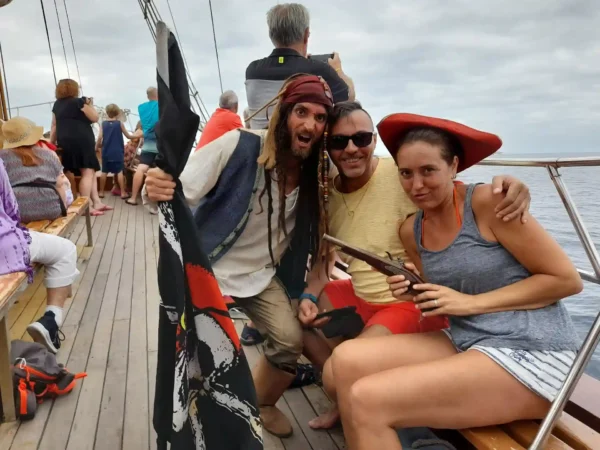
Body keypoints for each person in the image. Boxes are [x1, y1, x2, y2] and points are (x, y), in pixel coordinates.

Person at [329, 113, 583, 449]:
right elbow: (443, 295)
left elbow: (566, 280)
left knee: (368, 399)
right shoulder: (412, 230)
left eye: (428, 171)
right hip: (468, 338)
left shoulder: (489, 203)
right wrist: (414, 287)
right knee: (347, 359)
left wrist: (471, 304)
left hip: (532, 350)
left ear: (454, 166)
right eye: (406, 174)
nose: (416, 185)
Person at [291, 101, 533, 430]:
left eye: (361, 138)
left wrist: (510, 185)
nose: (351, 149)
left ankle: (347, 396)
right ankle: (343, 397)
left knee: (338, 370)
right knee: (295, 322)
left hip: (404, 301)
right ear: (328, 147)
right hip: (361, 294)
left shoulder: (403, 176)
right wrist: (307, 296)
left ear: (374, 140)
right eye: (338, 141)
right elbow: (324, 261)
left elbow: (454, 194)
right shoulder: (327, 194)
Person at [144, 74, 333, 439]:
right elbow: (182, 187)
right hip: (207, 267)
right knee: (194, 352)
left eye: (321, 117)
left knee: (288, 340)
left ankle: (262, 403)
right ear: (283, 113)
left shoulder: (318, 174)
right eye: (302, 111)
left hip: (260, 276)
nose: (310, 123)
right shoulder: (239, 145)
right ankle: (191, 416)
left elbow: (357, 183)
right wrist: (158, 183)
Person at [0, 159, 80, 354]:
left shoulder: (6, 156)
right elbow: (10, 206)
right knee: (65, 250)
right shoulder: (47, 154)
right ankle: (52, 319)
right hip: (7, 244)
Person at [245, 2, 355, 130]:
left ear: (271, 35)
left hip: (260, 146)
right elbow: (349, 99)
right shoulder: (319, 71)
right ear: (306, 34)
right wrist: (337, 69)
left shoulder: (252, 70)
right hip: (300, 146)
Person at [50, 78, 110, 216]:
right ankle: (86, 206)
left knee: (91, 170)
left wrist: (51, 144)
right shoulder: (79, 102)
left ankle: (97, 202)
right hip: (82, 139)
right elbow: (95, 118)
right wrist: (89, 104)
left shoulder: (57, 105)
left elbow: (54, 125)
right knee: (87, 172)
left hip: (65, 140)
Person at [0, 117, 69, 223]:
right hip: (51, 210)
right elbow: (59, 185)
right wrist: (63, 209)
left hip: (18, 212)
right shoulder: (49, 154)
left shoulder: (2, 157)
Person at [95, 103, 137, 199]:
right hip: (117, 151)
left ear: (107, 112)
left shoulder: (103, 124)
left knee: (104, 171)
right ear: (117, 113)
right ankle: (123, 192)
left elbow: (100, 137)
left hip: (106, 151)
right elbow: (128, 136)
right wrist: (139, 135)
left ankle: (101, 192)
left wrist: (96, 147)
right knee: (119, 172)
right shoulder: (119, 124)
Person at [127, 86, 159, 206]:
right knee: (163, 169)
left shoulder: (141, 108)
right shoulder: (163, 106)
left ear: (147, 96)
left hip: (148, 143)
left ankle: (133, 198)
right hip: (162, 145)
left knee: (141, 169)